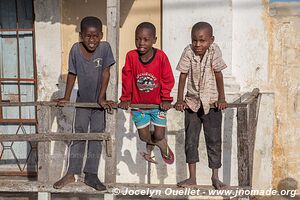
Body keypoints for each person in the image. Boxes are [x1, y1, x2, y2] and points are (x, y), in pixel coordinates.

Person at [53, 16, 115, 191]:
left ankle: (91, 174)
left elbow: (106, 73)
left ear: (101, 35)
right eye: (88, 36)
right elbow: (72, 74)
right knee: (78, 135)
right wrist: (66, 97)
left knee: (96, 136)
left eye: (95, 36)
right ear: (81, 35)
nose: (92, 40)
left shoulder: (105, 48)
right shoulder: (75, 50)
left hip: (99, 104)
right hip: (82, 102)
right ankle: (71, 173)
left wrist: (101, 98)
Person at [175, 22, 227, 189]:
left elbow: (218, 75)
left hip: (212, 104)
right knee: (191, 141)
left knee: (214, 140)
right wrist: (180, 99)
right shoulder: (188, 51)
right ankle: (192, 178)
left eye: (202, 41)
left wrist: (222, 98)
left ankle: (215, 176)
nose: (198, 44)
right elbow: (183, 75)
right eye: (194, 40)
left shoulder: (215, 51)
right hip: (192, 103)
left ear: (211, 40)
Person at [119, 22, 175, 165]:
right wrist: (125, 98)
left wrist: (166, 99)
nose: (141, 43)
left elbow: (167, 78)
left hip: (158, 105)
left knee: (159, 134)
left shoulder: (161, 57)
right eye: (138, 39)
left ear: (154, 40)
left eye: (146, 39)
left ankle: (160, 142)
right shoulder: (131, 56)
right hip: (138, 105)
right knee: (144, 137)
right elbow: (127, 78)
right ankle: (162, 145)